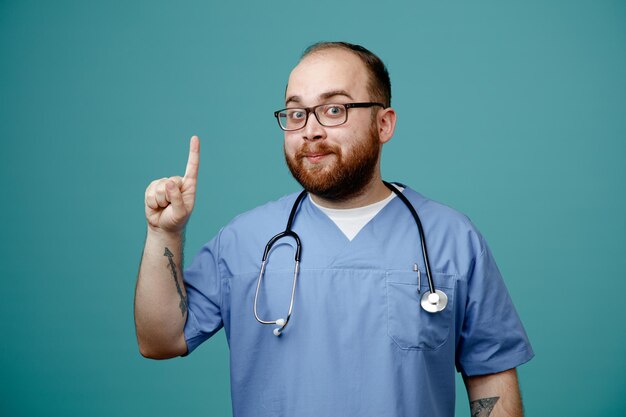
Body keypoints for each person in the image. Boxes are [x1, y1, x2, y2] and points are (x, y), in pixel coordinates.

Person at [135, 42, 534, 417]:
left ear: (384, 123)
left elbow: (490, 375)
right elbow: (159, 341)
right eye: (296, 113)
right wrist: (164, 234)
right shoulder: (244, 241)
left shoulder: (452, 240)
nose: (310, 129)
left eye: (334, 110)